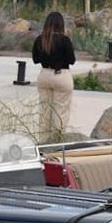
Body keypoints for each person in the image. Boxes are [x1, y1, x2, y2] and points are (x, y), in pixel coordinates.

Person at [32, 11, 76, 141]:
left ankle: (43, 142)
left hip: (44, 75)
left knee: (44, 112)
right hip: (61, 75)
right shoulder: (65, 40)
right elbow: (71, 60)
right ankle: (57, 142)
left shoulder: (40, 39)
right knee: (60, 112)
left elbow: (35, 59)